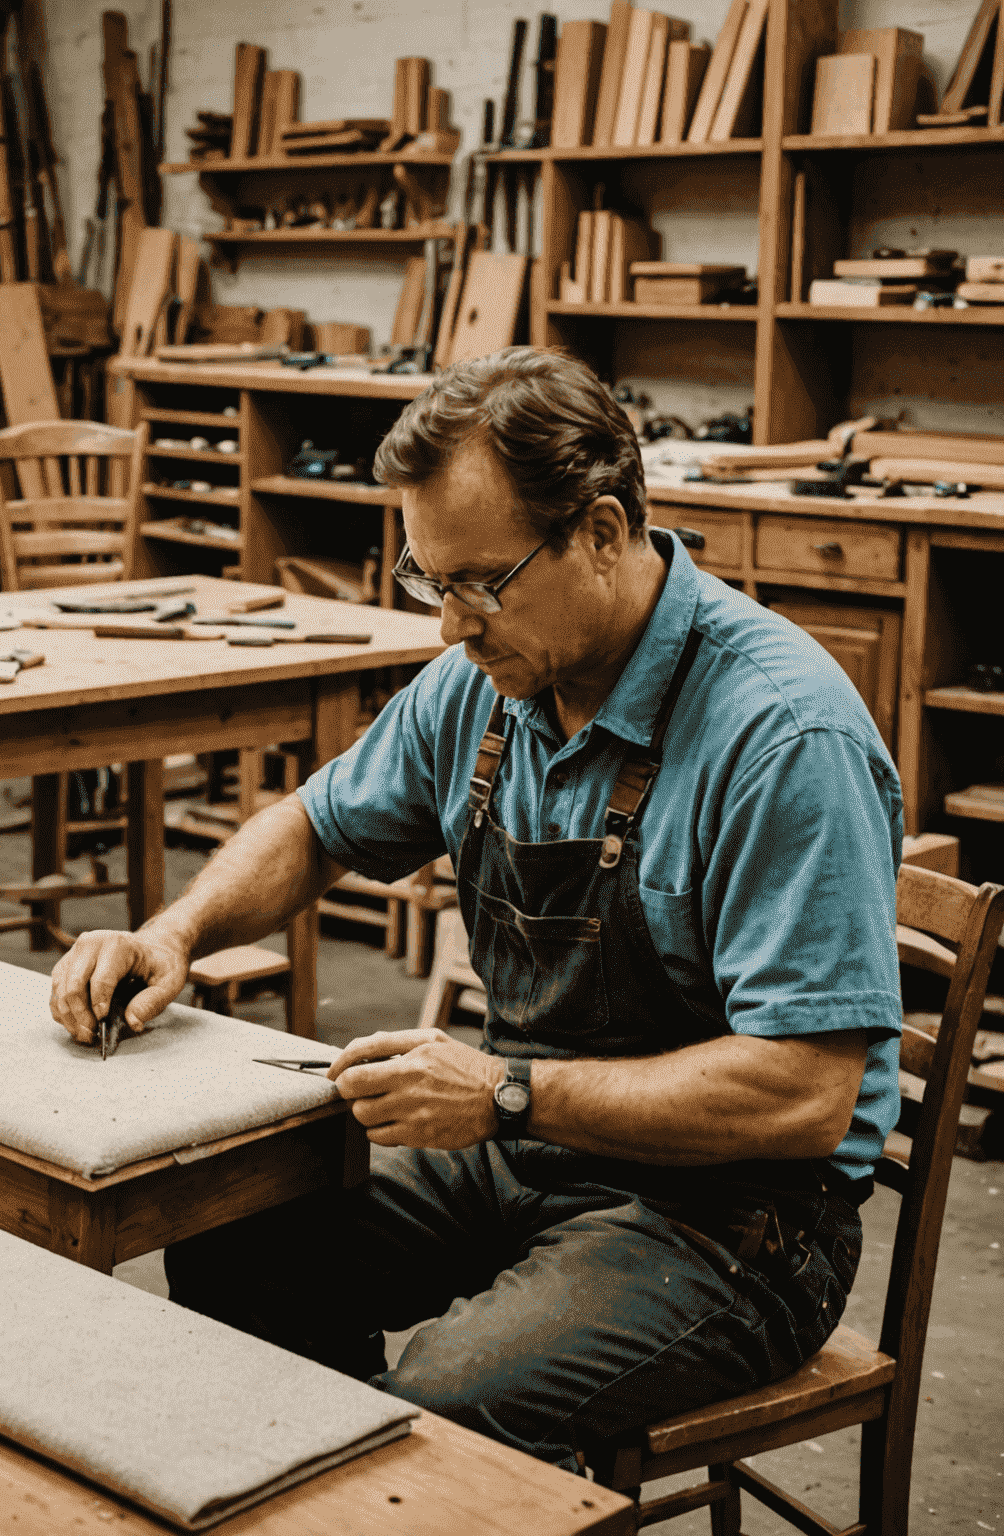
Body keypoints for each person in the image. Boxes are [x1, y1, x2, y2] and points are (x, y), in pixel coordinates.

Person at [49, 347, 904, 1473]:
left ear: (602, 532)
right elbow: (310, 825)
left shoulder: (780, 736)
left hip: (733, 1222)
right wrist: (176, 932)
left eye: (478, 584)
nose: (449, 626)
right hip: (533, 1147)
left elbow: (803, 1093)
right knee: (226, 1247)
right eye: (427, 581)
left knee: (442, 1415)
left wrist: (503, 1090)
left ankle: (399, 1481)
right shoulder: (489, 681)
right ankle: (348, 1487)